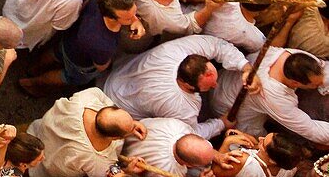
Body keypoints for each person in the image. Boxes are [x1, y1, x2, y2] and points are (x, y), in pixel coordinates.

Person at [103, 35, 257, 139]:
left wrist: (245, 67)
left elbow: (218, 46)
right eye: (209, 86)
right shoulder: (180, 107)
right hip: (118, 109)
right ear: (187, 84)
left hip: (118, 76)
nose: (216, 85)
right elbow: (190, 134)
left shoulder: (178, 50)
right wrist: (221, 123)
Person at [27, 89, 147, 177]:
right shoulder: (97, 161)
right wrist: (127, 170)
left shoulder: (85, 99)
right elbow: (112, 173)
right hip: (43, 171)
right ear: (115, 138)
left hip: (36, 133)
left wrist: (130, 124)